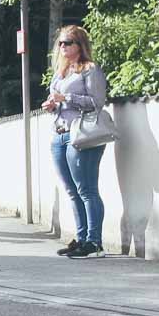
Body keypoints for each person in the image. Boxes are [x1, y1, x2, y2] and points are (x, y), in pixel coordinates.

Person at [43, 26, 110, 258]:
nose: (63, 47)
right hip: (60, 133)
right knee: (72, 191)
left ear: (80, 45)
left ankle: (95, 242)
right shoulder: (60, 72)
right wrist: (52, 105)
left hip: (82, 134)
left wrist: (67, 98)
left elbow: (97, 101)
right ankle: (82, 238)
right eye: (61, 43)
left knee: (87, 189)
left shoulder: (90, 70)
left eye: (68, 42)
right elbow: (59, 102)